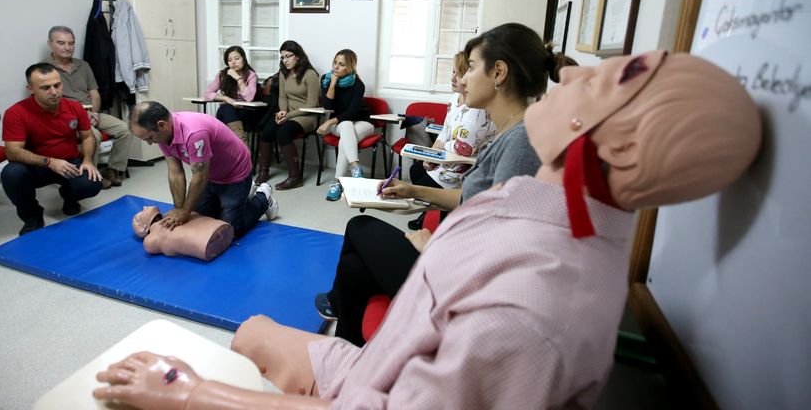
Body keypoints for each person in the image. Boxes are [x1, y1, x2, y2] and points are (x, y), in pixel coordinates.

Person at [93, 50, 762, 409]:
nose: (574, 73)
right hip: (382, 365)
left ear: (627, 149)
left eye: (607, 80)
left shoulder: (530, 320)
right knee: (251, 330)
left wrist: (193, 395)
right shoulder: (534, 197)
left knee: (201, 367)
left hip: (380, 392)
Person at [318, 23, 574, 345]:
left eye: (471, 68)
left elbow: (502, 245)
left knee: (360, 226)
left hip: (462, 286)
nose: (463, 80)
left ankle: (348, 337)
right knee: (353, 270)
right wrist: (412, 191)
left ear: (498, 72)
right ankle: (351, 354)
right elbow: (470, 198)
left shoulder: (521, 143)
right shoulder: (511, 133)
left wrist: (433, 248)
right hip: (458, 261)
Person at [127, 101, 278, 239]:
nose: (149, 143)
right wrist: (179, 210)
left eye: (149, 138)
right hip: (211, 173)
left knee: (230, 231)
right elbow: (175, 173)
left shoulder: (193, 133)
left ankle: (263, 198)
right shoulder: (163, 134)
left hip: (235, 173)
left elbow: (200, 177)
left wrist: (184, 212)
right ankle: (244, 195)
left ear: (161, 125)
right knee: (199, 219)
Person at [1, 63, 103, 236]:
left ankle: (69, 197)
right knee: (11, 174)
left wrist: (87, 161)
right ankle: (32, 217)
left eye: (57, 85)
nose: (54, 92)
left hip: (69, 163)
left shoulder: (74, 107)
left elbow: (87, 137)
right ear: (31, 89)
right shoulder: (15, 112)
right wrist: (49, 162)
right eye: (46, 88)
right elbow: (12, 152)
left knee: (91, 182)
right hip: (36, 166)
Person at [405, 50, 495, 229]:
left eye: (458, 73)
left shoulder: (476, 107)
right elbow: (444, 132)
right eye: (453, 71)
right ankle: (431, 214)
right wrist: (431, 155)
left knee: (422, 185)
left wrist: (438, 154)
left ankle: (440, 218)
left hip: (464, 168)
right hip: (448, 159)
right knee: (416, 169)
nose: (453, 78)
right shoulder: (455, 98)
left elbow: (463, 148)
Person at [42, 25, 131, 189]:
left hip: (91, 112)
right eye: (61, 43)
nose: (67, 47)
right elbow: (48, 101)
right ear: (50, 43)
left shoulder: (83, 65)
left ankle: (112, 169)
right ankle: (92, 175)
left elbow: (94, 93)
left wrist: (95, 113)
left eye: (71, 43)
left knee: (125, 129)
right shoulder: (44, 70)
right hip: (67, 117)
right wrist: (81, 116)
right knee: (93, 136)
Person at [255, 41, 320, 190]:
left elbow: (312, 105)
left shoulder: (310, 75)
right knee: (267, 130)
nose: (285, 60)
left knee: (283, 132)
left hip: (307, 116)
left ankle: (295, 177)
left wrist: (288, 115)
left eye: (288, 56)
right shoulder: (284, 73)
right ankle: (264, 171)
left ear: (298, 56)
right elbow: (283, 97)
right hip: (289, 114)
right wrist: (283, 111)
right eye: (282, 57)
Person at [316, 49, 372, 201]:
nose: (336, 67)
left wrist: (329, 122)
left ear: (350, 67)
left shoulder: (358, 84)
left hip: (362, 122)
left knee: (344, 141)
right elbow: (328, 106)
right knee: (346, 126)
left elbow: (351, 112)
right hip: (340, 123)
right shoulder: (326, 79)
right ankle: (355, 167)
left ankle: (337, 183)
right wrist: (333, 84)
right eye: (335, 62)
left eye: (341, 64)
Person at [132, 206, 234, 262]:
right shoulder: (151, 238)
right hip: (220, 231)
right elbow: (149, 246)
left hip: (210, 242)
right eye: (142, 211)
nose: (144, 207)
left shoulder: (171, 215)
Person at [203, 46, 258, 145]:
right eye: (230, 60)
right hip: (227, 111)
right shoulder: (223, 75)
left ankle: (238, 148)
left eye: (237, 58)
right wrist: (225, 98)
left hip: (245, 112)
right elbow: (207, 93)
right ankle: (243, 146)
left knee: (226, 112)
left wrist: (238, 78)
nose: (233, 62)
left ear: (243, 59)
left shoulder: (251, 75)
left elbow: (249, 97)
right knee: (227, 108)